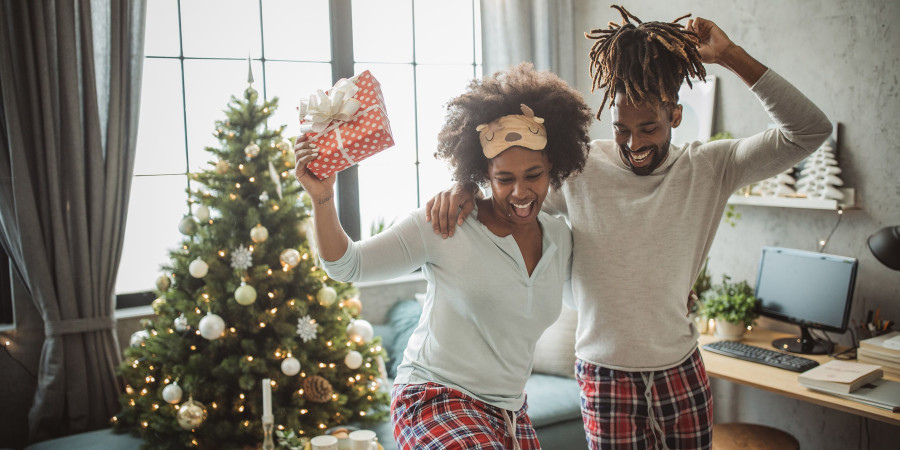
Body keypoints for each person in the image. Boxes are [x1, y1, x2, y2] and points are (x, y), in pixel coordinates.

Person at [426, 6, 833, 449]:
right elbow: (515, 192)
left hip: (681, 368)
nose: (634, 144)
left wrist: (731, 56)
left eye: (648, 128)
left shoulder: (712, 167)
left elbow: (809, 131)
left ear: (675, 115)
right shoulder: (581, 171)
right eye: (622, 129)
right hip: (604, 375)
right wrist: (466, 187)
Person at [294, 63, 593, 450]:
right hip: (433, 398)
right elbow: (346, 266)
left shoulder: (560, 238)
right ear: (482, 172)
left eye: (533, 175)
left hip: (509, 414)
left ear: (552, 165)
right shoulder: (445, 223)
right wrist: (322, 199)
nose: (521, 192)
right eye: (504, 179)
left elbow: (588, 298)